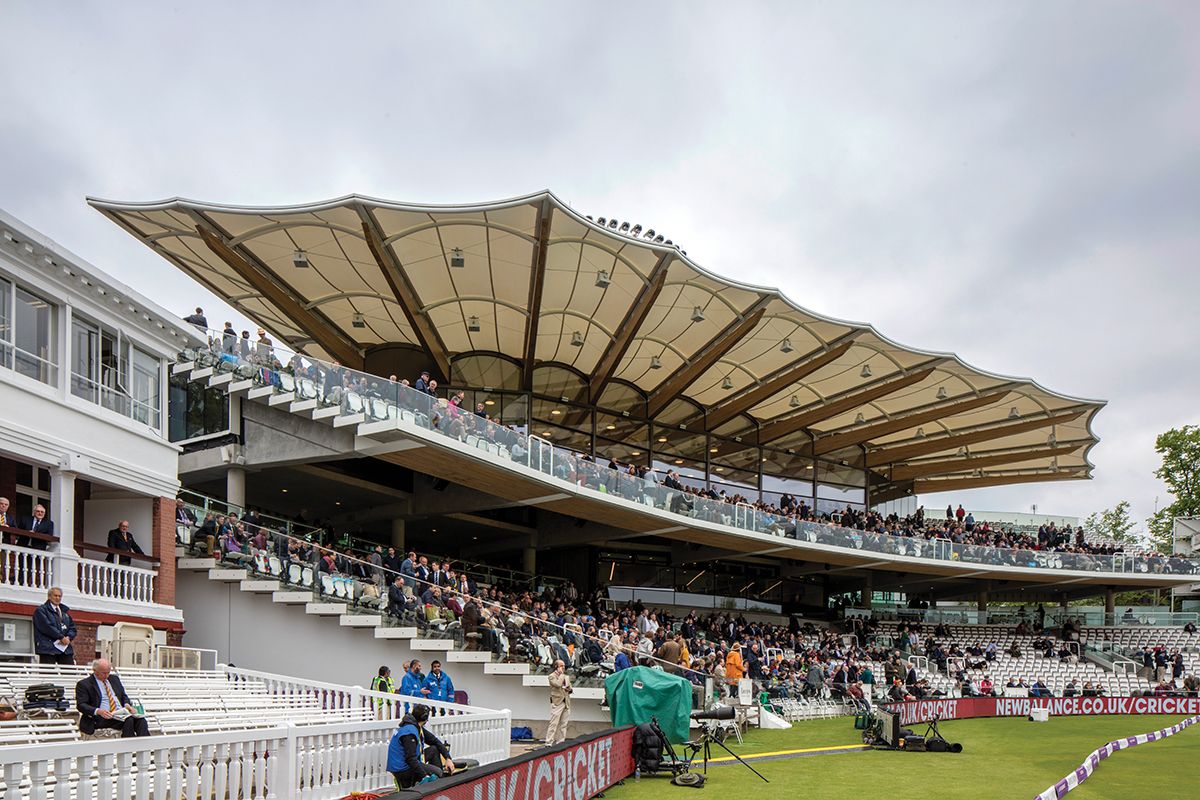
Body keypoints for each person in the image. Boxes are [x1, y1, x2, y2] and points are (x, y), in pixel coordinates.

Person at [75, 658, 151, 737]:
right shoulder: (84, 684)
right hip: (100, 717)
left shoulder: (114, 679)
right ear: (95, 671)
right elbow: (81, 705)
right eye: (104, 673)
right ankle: (128, 748)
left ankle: (145, 747)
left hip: (120, 714)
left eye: (108, 672)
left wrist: (127, 704)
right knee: (129, 720)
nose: (107, 675)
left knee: (141, 720)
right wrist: (98, 711)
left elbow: (123, 696)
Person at [387, 704, 455, 789]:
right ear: (426, 719)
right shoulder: (409, 732)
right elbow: (410, 759)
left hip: (410, 762)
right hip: (403, 769)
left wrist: (448, 758)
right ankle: (436, 782)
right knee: (438, 772)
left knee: (433, 749)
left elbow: (435, 741)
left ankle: (438, 781)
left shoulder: (415, 726)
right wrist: (425, 776)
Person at [33, 587, 76, 664]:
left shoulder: (64, 612)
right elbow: (47, 627)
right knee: (48, 674)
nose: (57, 598)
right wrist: (61, 637)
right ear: (49, 596)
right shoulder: (41, 611)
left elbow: (72, 628)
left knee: (69, 672)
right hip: (48, 649)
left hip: (64, 649)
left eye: (59, 596)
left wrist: (68, 637)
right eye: (55, 596)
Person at [546, 659, 572, 745]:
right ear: (556, 667)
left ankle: (561, 741)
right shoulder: (551, 676)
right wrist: (561, 675)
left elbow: (570, 689)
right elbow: (557, 684)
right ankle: (549, 742)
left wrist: (569, 689)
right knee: (553, 723)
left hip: (566, 702)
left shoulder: (566, 676)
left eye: (564, 666)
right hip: (557, 702)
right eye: (561, 666)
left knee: (564, 724)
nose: (563, 667)